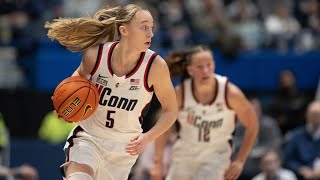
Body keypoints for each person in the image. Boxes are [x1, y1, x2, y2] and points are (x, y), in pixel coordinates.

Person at [45, 4, 178, 180]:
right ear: (124, 30)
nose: (150, 34)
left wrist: (147, 137)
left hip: (124, 147)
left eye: (151, 28)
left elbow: (171, 111)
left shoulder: (155, 66)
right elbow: (78, 78)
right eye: (144, 27)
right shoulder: (96, 55)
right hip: (88, 136)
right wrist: (66, 105)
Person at [151, 45, 259, 180]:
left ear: (214, 64)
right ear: (190, 70)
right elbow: (162, 128)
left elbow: (253, 125)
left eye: (209, 65)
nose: (206, 70)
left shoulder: (230, 93)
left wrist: (240, 160)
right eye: (200, 67)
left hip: (216, 157)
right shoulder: (181, 93)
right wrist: (157, 162)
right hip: (184, 156)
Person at [235, 97, 283, 179]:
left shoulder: (269, 124)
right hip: (246, 165)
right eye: (251, 109)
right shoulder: (239, 125)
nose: (254, 111)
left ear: (260, 109)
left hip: (265, 162)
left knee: (271, 159)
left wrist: (257, 151)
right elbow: (236, 144)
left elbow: (275, 144)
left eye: (256, 109)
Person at [283, 100, 320, 180]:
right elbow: (288, 159)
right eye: (313, 114)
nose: (316, 117)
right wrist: (300, 169)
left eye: (318, 114)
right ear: (306, 115)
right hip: (301, 176)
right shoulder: (295, 135)